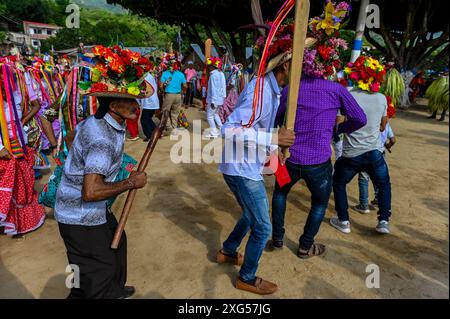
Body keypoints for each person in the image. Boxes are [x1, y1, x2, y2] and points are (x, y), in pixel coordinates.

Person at [216, 24, 315, 295]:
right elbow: (230, 130)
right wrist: (273, 138)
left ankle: (227, 251)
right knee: (263, 227)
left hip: (242, 166)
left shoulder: (272, 90)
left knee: (250, 217)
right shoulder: (261, 90)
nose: (302, 70)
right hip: (241, 170)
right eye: (298, 65)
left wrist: (273, 149)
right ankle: (246, 277)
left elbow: (254, 130)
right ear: (284, 66)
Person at [54, 46, 153, 298]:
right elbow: (91, 191)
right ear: (111, 105)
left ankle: (114, 289)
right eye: (129, 100)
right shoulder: (101, 139)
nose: (136, 105)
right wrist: (131, 182)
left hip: (90, 211)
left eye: (135, 99)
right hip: (79, 216)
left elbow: (73, 137)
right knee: (98, 272)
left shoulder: (101, 121)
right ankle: (104, 290)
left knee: (117, 246)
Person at [270, 4, 366, 256]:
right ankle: (304, 246)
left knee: (280, 194)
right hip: (318, 162)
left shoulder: (291, 89)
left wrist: (277, 142)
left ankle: (277, 239)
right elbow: (361, 118)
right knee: (319, 203)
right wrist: (339, 128)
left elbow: (276, 118)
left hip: (287, 158)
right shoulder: (337, 90)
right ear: (330, 64)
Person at [330, 56, 393, 235]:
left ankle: (343, 221)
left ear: (355, 75)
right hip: (374, 152)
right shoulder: (381, 98)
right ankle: (383, 221)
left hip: (351, 155)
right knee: (383, 184)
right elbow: (383, 125)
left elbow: (339, 124)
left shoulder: (348, 94)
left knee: (339, 182)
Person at [355, 121, 396, 212]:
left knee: (364, 178)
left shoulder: (369, 121)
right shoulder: (386, 123)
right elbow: (393, 140)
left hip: (366, 152)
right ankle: (378, 199)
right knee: (378, 177)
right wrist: (387, 146)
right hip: (380, 154)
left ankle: (363, 204)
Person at [160, 60, 187, 134]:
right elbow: (185, 86)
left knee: (165, 111)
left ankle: (169, 127)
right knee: (175, 112)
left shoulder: (165, 73)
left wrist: (162, 90)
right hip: (178, 95)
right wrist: (182, 92)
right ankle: (174, 128)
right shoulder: (181, 74)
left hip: (169, 95)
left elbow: (161, 86)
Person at [204, 57, 226, 139]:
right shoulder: (221, 73)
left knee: (209, 116)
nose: (208, 67)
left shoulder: (213, 75)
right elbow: (224, 86)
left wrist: (213, 101)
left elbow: (213, 89)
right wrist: (223, 97)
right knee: (216, 114)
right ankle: (221, 130)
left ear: (213, 66)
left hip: (214, 100)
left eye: (209, 66)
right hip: (220, 99)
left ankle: (214, 132)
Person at [138, 72, 160, 141]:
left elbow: (145, 89)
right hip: (152, 101)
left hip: (149, 102)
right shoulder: (149, 75)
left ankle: (150, 136)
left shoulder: (144, 77)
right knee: (148, 119)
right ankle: (157, 132)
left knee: (144, 120)